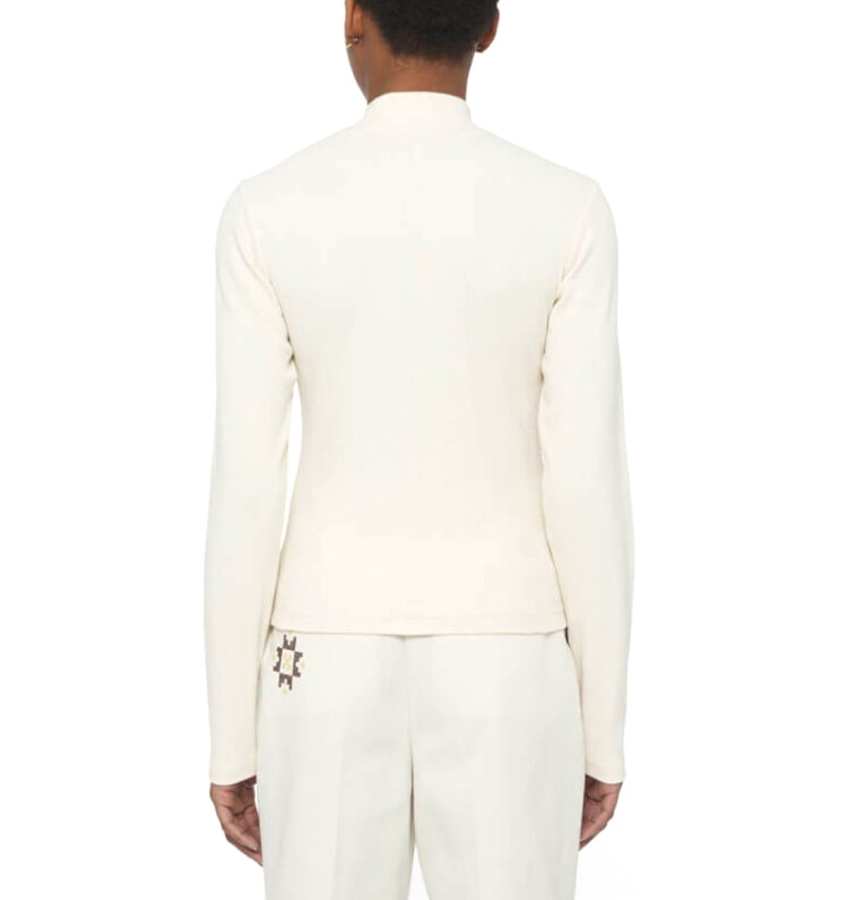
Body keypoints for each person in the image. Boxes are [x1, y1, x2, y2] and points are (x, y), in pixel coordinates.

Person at [203, 1, 635, 897]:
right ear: (489, 25)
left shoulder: (265, 209)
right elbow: (586, 483)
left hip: (320, 656)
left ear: (353, 16)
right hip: (509, 656)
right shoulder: (568, 210)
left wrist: (231, 739)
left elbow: (246, 487)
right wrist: (601, 731)